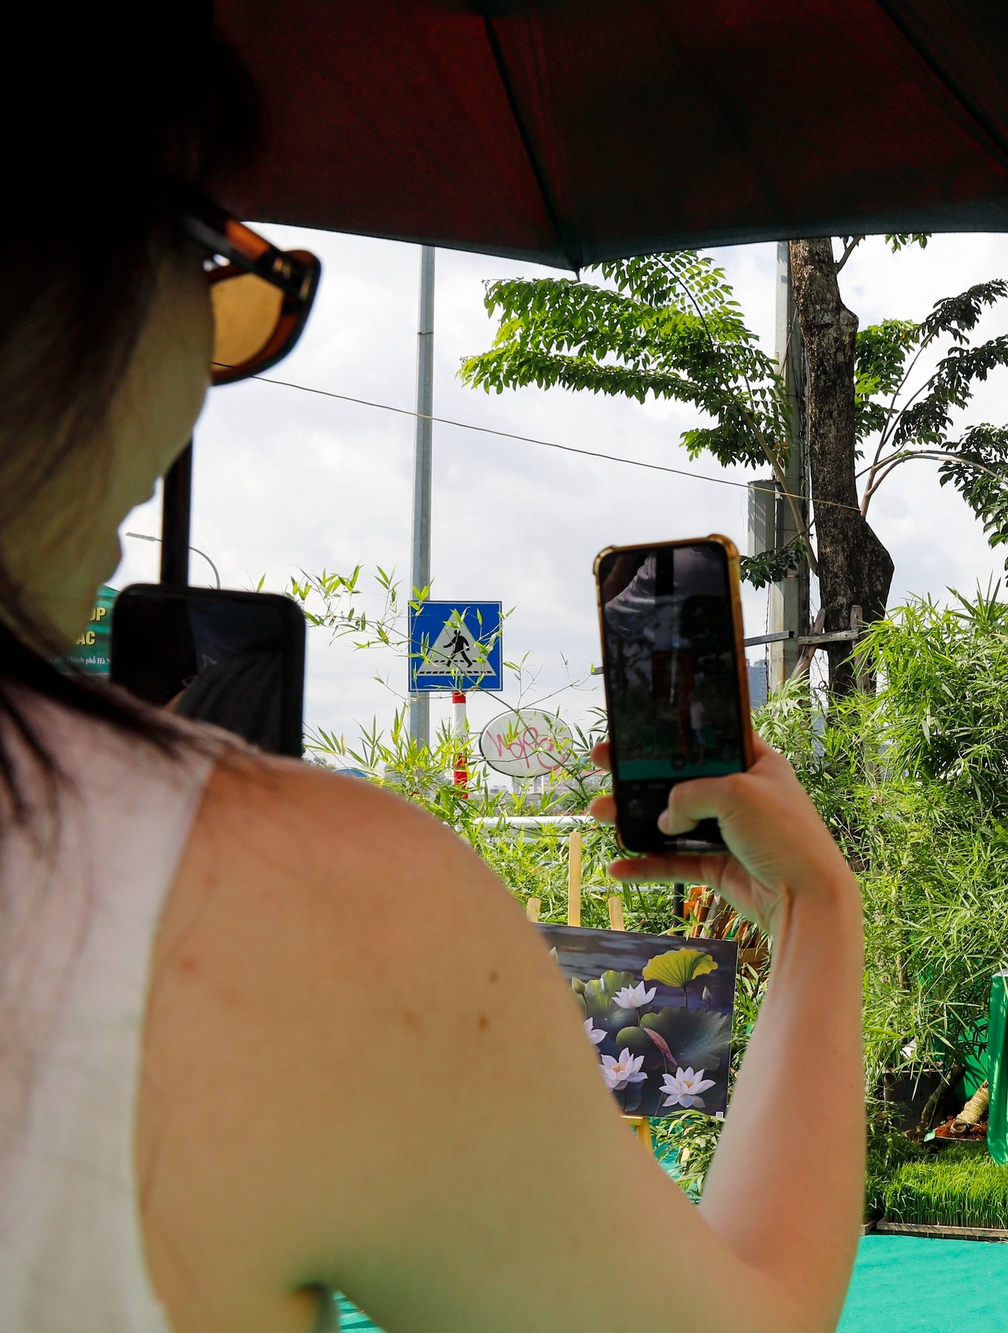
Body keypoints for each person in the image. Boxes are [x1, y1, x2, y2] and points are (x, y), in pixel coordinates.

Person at [0, 11, 862, 1331]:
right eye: (217, 269)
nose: (210, 371)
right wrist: (818, 920)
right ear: (72, 271)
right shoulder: (289, 903)